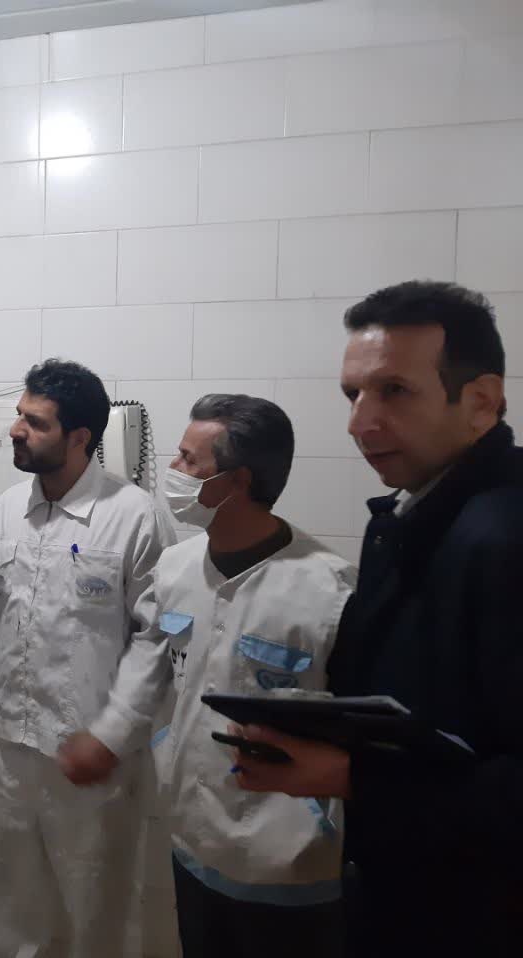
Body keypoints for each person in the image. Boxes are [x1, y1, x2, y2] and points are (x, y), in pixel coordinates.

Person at [232, 281, 523, 956]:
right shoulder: (406, 516)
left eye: (394, 391)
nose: (359, 423)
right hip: (403, 891)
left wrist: (347, 776)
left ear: (481, 401)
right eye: (352, 395)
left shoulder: (505, 536)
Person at [0, 359, 175, 958]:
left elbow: (158, 637)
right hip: (11, 749)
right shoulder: (9, 507)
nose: (16, 430)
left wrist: (112, 734)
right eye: (20, 416)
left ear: (81, 437)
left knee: (95, 908)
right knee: (12, 900)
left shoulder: (133, 515)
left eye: (36, 423)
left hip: (90, 755)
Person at [153, 395, 355, 958]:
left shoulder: (330, 591)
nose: (173, 470)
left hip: (288, 861)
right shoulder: (173, 570)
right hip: (193, 838)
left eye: (189, 460)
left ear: (236, 481)